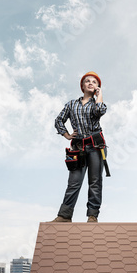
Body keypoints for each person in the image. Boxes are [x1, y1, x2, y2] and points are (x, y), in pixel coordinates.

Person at [52, 71, 107, 223]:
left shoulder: (96, 104)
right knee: (73, 182)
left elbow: (100, 110)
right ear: (82, 86)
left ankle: (92, 216)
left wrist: (99, 94)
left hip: (96, 146)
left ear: (97, 88)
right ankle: (64, 215)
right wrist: (67, 135)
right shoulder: (71, 104)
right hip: (77, 147)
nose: (90, 83)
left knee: (95, 182)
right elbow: (58, 121)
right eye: (87, 81)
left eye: (94, 82)